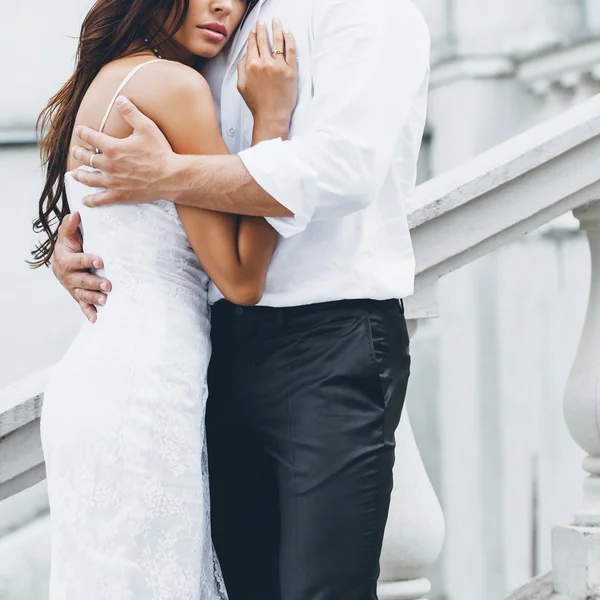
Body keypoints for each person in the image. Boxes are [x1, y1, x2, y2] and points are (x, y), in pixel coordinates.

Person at [52, 0, 431, 599]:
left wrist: (168, 176)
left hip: (328, 345)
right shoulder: (206, 41)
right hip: (212, 353)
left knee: (320, 587)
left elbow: (346, 169)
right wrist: (81, 243)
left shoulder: (365, 11)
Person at [35, 1, 298, 598]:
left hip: (97, 375)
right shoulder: (174, 85)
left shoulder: (107, 77)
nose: (224, 7)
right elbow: (239, 278)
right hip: (146, 388)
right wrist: (273, 124)